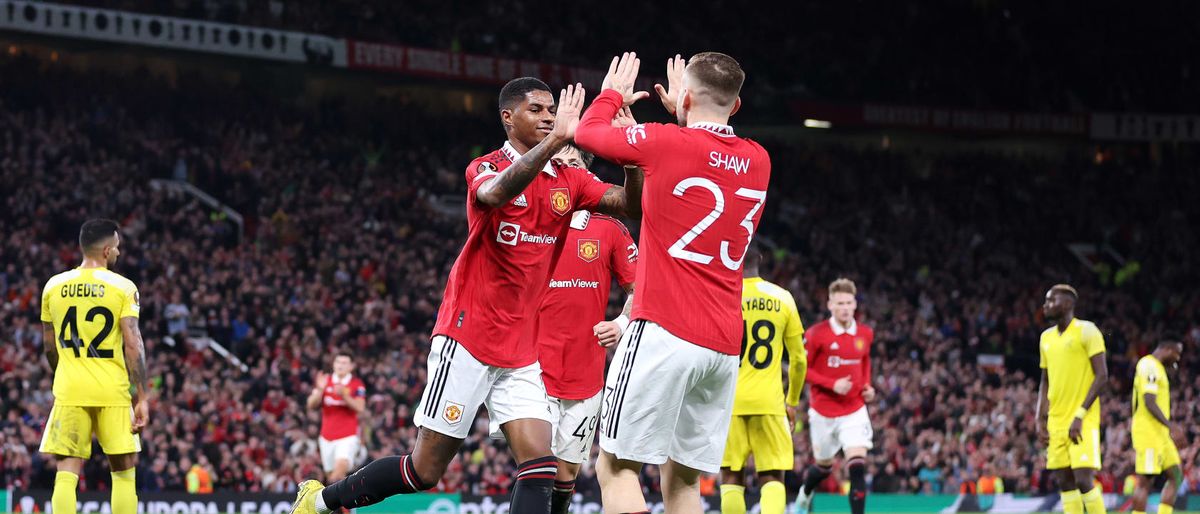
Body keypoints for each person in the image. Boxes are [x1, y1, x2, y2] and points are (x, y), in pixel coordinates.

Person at [290, 77, 640, 514]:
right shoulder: (485, 167)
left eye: (552, 110)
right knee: (424, 471)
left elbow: (631, 205)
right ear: (508, 117)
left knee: (540, 465)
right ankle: (320, 501)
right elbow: (495, 194)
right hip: (468, 336)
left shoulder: (570, 179)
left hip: (521, 349)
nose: (548, 117)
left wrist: (632, 157)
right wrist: (555, 143)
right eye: (536, 110)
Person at [575, 51, 772, 512]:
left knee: (616, 468)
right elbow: (708, 154)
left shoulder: (663, 142)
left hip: (664, 330)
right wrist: (685, 117)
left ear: (684, 97)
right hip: (722, 346)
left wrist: (611, 95)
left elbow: (586, 133)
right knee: (682, 481)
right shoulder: (760, 159)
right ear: (736, 105)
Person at [536, 144, 638, 514]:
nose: (564, 170)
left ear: (586, 174)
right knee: (535, 466)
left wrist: (621, 323)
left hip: (585, 374)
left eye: (572, 164)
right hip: (532, 369)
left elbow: (641, 289)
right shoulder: (532, 223)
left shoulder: (609, 228)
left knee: (566, 474)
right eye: (557, 164)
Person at [38, 219, 149, 514]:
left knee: (66, 473)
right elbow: (133, 345)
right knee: (123, 473)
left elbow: (49, 347)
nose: (119, 253)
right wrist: (142, 397)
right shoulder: (123, 287)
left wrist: (66, 373)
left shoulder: (53, 286)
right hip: (112, 390)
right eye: (118, 247)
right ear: (107, 250)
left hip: (70, 389)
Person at [720, 247, 806, 514]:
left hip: (729, 403)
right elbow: (799, 360)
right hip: (770, 403)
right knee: (772, 477)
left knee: (731, 476)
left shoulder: (722, 297)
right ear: (759, 260)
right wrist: (792, 402)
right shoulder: (782, 298)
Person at [794, 278, 875, 514]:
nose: (845, 308)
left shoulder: (865, 333)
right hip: (823, 411)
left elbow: (864, 360)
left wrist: (867, 386)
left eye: (849, 303)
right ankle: (805, 493)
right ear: (830, 305)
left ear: (855, 304)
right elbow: (801, 369)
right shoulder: (816, 334)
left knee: (857, 467)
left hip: (854, 410)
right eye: (840, 303)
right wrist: (832, 384)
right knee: (824, 467)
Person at [1035, 284, 1108, 514]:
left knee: (1083, 479)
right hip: (1056, 421)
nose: (1046, 305)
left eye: (1051, 300)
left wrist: (1080, 414)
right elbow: (1045, 380)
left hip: (1082, 419)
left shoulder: (1087, 331)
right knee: (1065, 483)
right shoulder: (1045, 338)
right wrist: (1039, 417)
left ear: (1067, 304)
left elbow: (1102, 375)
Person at [1130, 337, 1187, 514]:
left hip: (1160, 434)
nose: (1178, 358)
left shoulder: (1159, 368)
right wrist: (1171, 426)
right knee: (1145, 481)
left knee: (1176, 475)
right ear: (1168, 349)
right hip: (1148, 432)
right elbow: (1149, 401)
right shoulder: (1149, 365)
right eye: (1177, 353)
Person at [305, 353, 367, 482]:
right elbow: (310, 405)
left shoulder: (356, 384)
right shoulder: (324, 381)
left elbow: (360, 407)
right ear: (333, 364)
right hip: (326, 437)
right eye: (338, 362)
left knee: (337, 474)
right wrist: (320, 390)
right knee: (332, 478)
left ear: (351, 366)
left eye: (344, 363)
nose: (340, 365)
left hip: (347, 437)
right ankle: (341, 496)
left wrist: (344, 395)